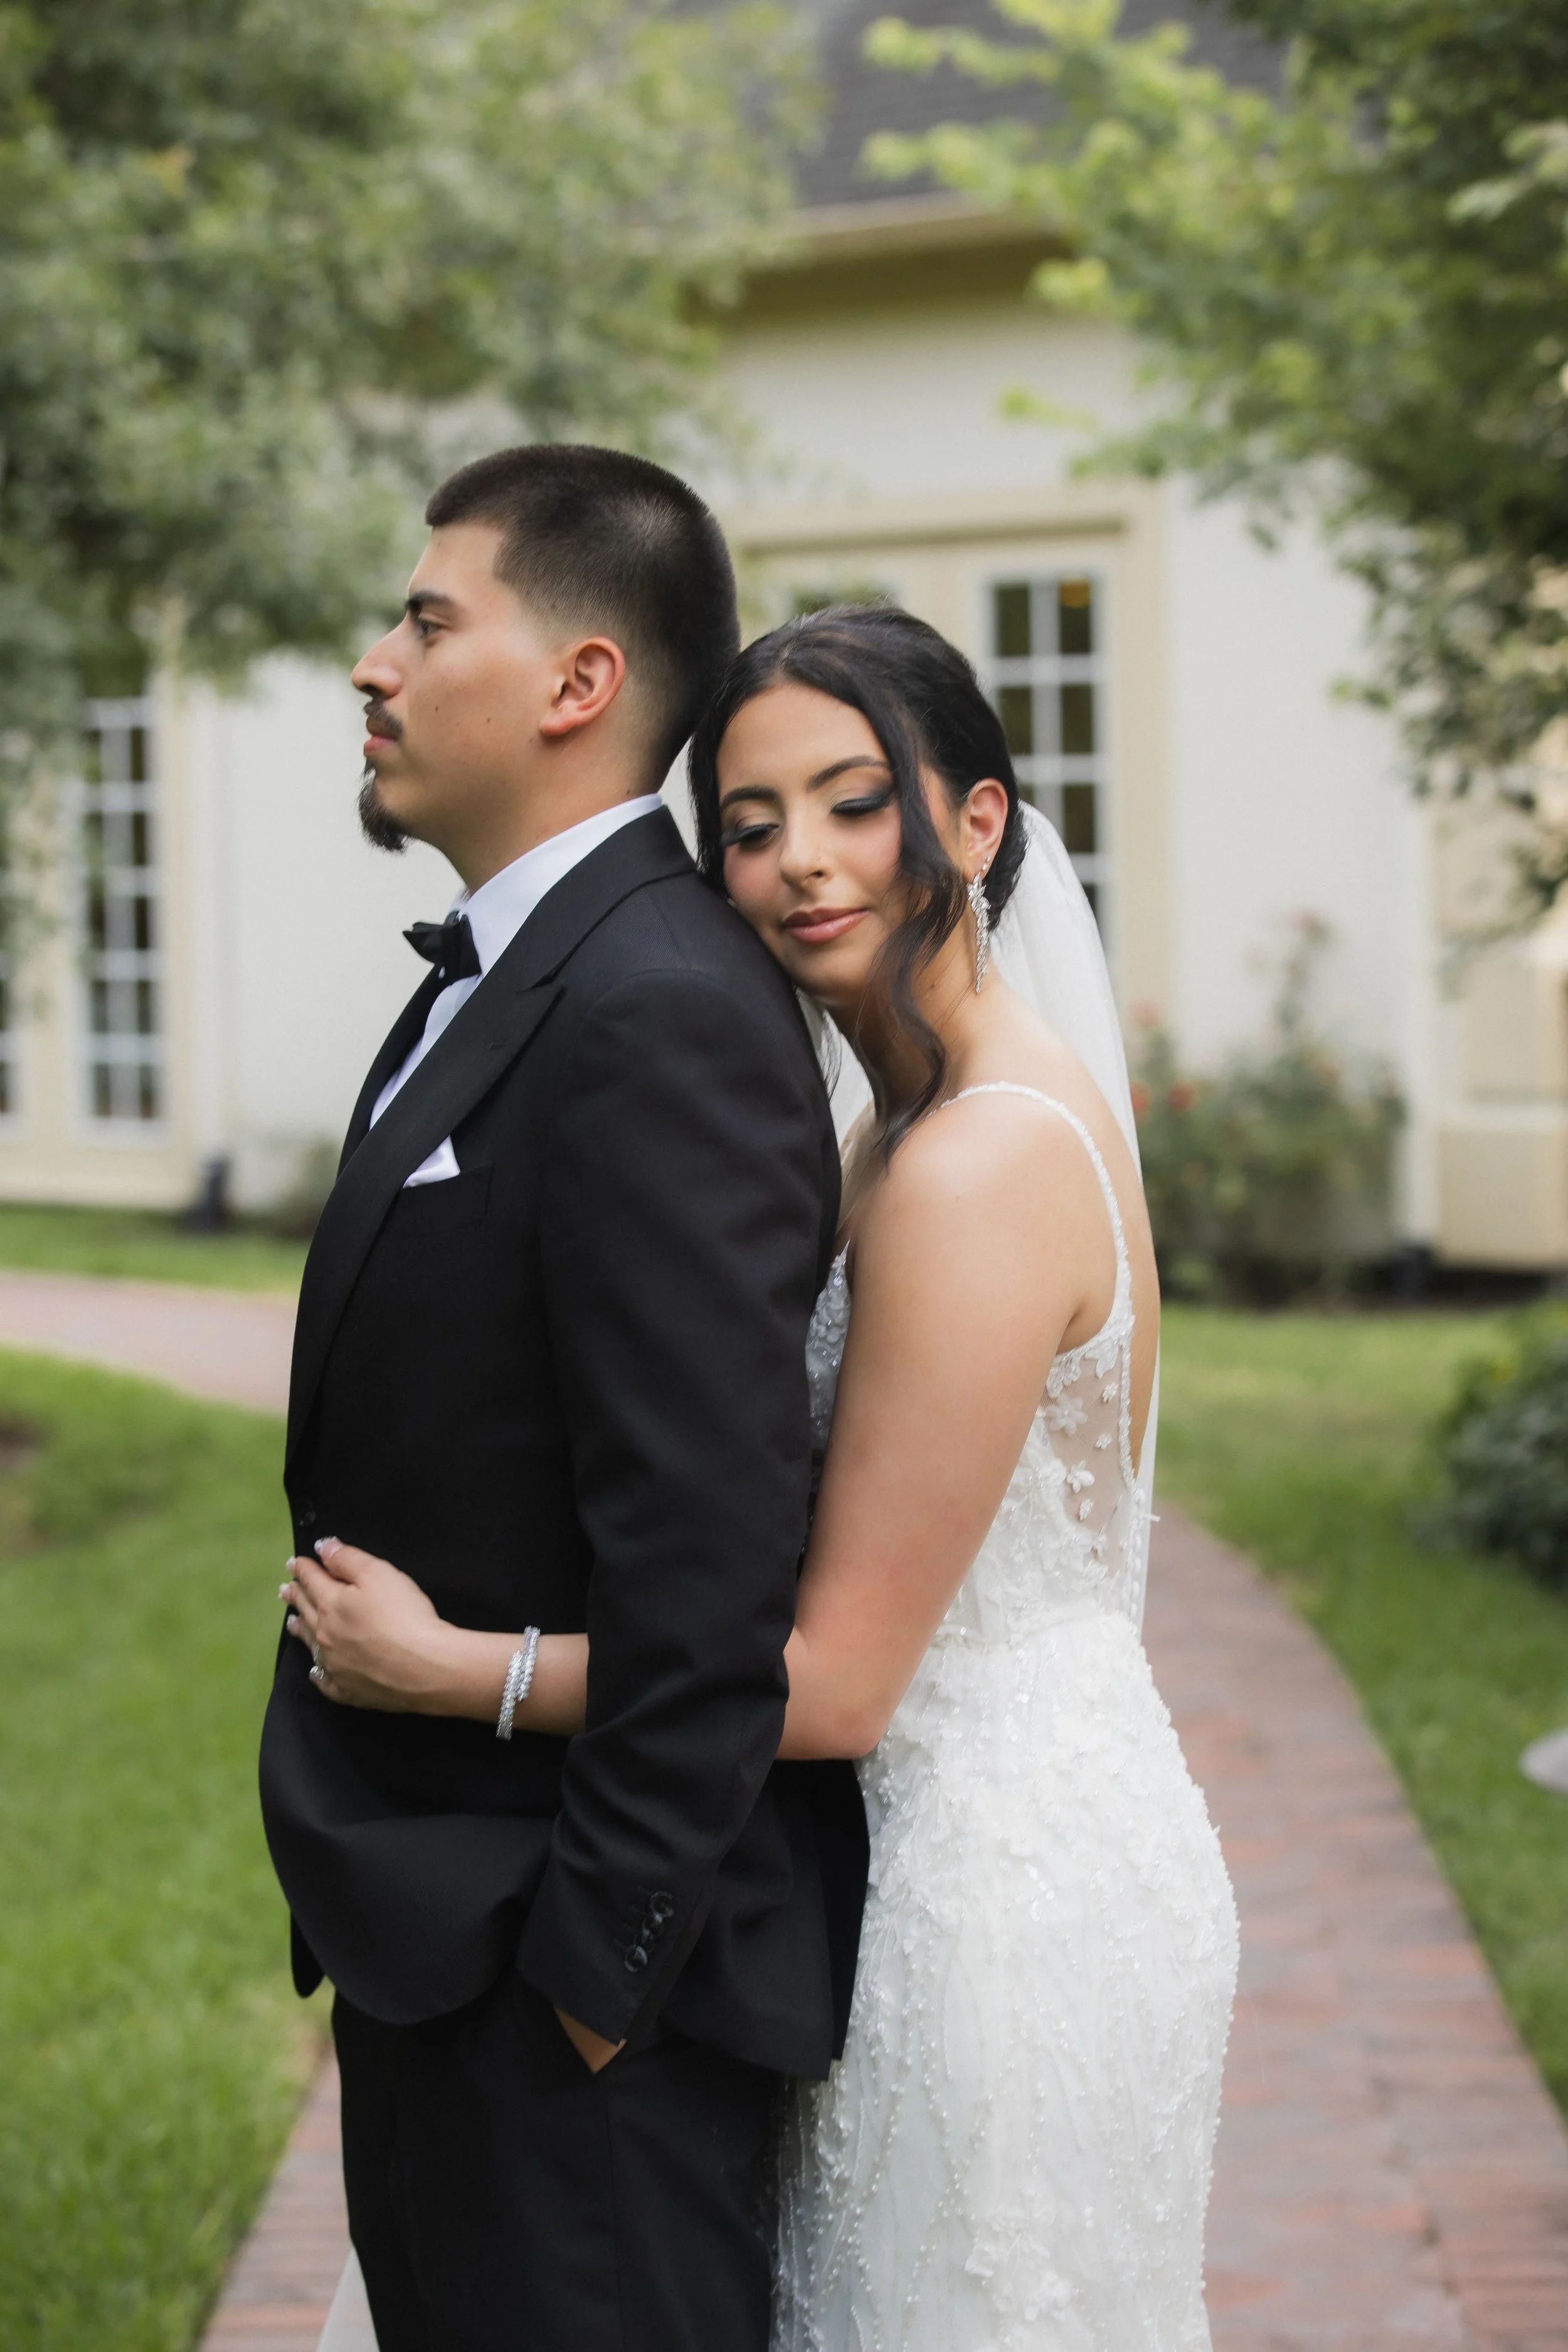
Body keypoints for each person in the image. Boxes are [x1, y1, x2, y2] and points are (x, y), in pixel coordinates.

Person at [288, 605, 1240, 2348]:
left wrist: (462, 1672)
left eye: (854, 800)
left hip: (989, 1897)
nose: (799, 860)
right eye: (747, 821)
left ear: (979, 820)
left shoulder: (969, 1169)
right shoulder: (906, 1122)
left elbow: (830, 1683)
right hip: (944, 1849)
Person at [259, 446, 869, 2352]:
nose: (375, 662)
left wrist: (590, 1984)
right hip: (442, 1949)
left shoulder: (659, 1002)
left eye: (429, 618)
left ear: (577, 683)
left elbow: (707, 1566)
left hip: (574, 1994)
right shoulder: (515, 974)